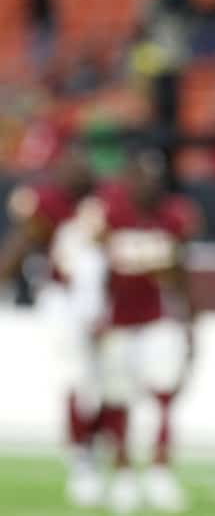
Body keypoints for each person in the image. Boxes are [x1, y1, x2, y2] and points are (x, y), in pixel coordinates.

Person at [81, 150, 201, 514]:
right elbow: (92, 271)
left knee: (162, 394)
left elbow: (182, 273)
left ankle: (160, 469)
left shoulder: (174, 215)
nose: (147, 185)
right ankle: (122, 474)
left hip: (159, 320)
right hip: (117, 323)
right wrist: (92, 317)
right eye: (140, 177)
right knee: (118, 399)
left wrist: (191, 323)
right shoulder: (106, 214)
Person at [1, 145, 101, 507]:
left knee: (104, 384)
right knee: (77, 379)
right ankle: (81, 457)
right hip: (64, 300)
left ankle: (96, 452)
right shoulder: (45, 201)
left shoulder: (104, 202)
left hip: (106, 302)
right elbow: (24, 240)